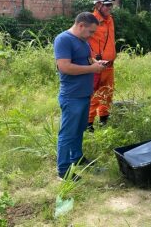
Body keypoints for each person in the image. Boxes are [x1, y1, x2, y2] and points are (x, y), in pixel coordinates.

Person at [54, 12, 107, 179]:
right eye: (91, 32)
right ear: (81, 25)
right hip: (72, 96)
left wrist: (96, 63)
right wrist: (92, 69)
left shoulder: (83, 41)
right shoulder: (63, 39)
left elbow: (87, 59)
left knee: (78, 130)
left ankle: (77, 158)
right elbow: (65, 67)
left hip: (84, 94)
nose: (92, 35)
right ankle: (63, 171)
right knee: (68, 133)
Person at [87, 0, 116, 131]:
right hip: (96, 66)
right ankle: (89, 124)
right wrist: (92, 60)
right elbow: (83, 42)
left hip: (109, 65)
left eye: (110, 5)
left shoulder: (110, 19)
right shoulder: (90, 20)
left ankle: (104, 119)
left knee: (107, 93)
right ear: (98, 4)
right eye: (107, 5)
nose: (109, 8)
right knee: (94, 96)